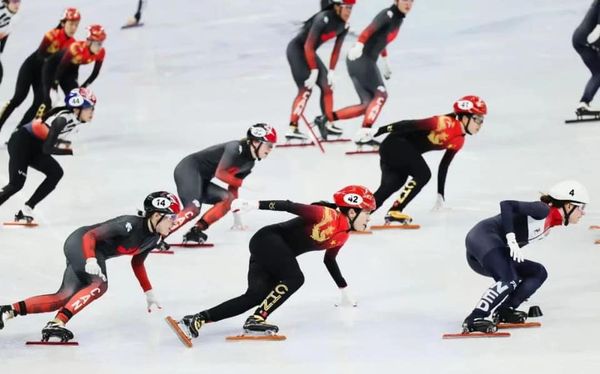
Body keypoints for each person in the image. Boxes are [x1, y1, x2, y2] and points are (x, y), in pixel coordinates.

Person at [172, 185, 375, 340]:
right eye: (367, 213)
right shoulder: (326, 215)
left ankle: (196, 319)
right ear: (351, 211)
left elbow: (329, 260)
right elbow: (289, 206)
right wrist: (254, 204)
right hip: (268, 240)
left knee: (254, 296)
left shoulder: (343, 236)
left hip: (273, 253)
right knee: (295, 278)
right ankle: (257, 318)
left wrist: (344, 289)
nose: (369, 219)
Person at [0, 191, 180, 342]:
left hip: (91, 253)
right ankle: (57, 323)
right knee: (99, 285)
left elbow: (137, 262)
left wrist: (148, 291)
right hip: (82, 244)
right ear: (156, 215)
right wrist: (91, 260)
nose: (175, 222)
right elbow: (90, 236)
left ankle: (8, 310)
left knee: (63, 297)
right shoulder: (129, 225)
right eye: (172, 217)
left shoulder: (155, 238)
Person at [461, 181, 589, 333]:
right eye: (581, 207)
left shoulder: (548, 226)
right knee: (510, 279)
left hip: (487, 249)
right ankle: (474, 318)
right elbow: (507, 204)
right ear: (568, 206)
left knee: (537, 272)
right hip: (482, 238)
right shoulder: (543, 210)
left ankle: (505, 311)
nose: (583, 213)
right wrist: (511, 238)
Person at [371, 95, 487, 224]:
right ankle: (396, 210)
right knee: (423, 174)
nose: (480, 124)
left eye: (482, 120)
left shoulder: (459, 140)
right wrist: (378, 130)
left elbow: (444, 166)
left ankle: (356, 215)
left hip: (398, 152)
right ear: (465, 117)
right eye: (477, 119)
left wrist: (440, 195)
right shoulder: (443, 122)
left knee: (390, 186)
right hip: (395, 144)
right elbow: (408, 124)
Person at [314, 0, 413, 144]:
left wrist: (385, 61)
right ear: (396, 1)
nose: (408, 3)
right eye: (404, 0)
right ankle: (364, 133)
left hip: (363, 60)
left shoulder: (398, 19)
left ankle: (325, 119)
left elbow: (381, 39)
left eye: (411, 1)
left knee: (367, 104)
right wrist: (360, 44)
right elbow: (369, 30)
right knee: (381, 95)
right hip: (361, 58)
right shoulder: (388, 14)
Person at [0, 87, 96, 222]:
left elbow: (50, 141)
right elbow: (47, 148)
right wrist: (70, 150)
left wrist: (67, 146)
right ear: (76, 109)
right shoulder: (62, 120)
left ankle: (27, 208)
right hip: (21, 144)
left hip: (35, 147)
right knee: (16, 184)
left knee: (56, 173)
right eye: (88, 108)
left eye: (92, 108)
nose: (91, 111)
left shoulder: (73, 119)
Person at [169, 123, 276, 244]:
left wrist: (237, 218)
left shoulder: (249, 163)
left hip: (201, 179)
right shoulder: (235, 148)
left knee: (228, 199)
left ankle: (196, 230)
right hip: (188, 169)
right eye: (269, 145)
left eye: (272, 146)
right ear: (256, 142)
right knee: (193, 208)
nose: (270, 149)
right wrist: (245, 183)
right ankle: (156, 234)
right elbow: (220, 173)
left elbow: (234, 188)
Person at [0, 7, 80, 134]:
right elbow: (41, 55)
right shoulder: (52, 35)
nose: (74, 28)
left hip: (43, 74)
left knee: (39, 103)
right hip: (31, 67)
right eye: (71, 24)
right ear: (63, 23)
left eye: (76, 25)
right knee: (18, 98)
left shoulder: (72, 44)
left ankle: (18, 132)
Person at [285, 0, 353, 141]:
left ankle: (327, 122)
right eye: (346, 8)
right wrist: (314, 71)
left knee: (327, 87)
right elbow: (308, 46)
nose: (349, 12)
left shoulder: (344, 25)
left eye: (351, 8)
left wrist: (332, 71)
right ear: (336, 7)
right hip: (297, 50)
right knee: (305, 89)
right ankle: (292, 127)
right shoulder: (323, 18)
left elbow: (336, 50)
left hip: (310, 54)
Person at [39, 24, 106, 121]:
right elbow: (61, 67)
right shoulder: (76, 48)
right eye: (98, 44)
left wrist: (82, 88)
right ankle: (37, 123)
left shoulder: (101, 52)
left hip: (70, 71)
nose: (100, 47)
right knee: (49, 101)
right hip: (52, 67)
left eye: (101, 43)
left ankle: (57, 125)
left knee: (75, 102)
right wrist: (54, 86)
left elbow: (95, 73)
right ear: (88, 42)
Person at [573, 0, 600, 113]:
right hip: (589, 39)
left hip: (579, 40)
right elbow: (596, 34)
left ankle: (583, 103)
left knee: (598, 73)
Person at [0, 0, 21, 86]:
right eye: (14, 2)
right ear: (6, 3)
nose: (17, 5)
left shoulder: (16, 18)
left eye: (18, 1)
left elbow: (5, 34)